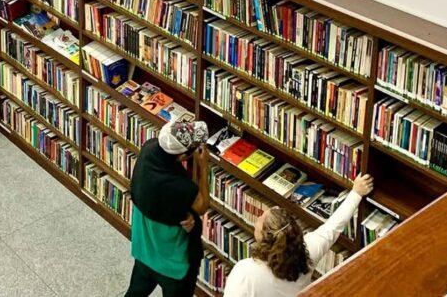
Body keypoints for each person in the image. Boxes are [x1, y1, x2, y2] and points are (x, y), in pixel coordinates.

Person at [223, 174, 375, 297]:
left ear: (265, 237)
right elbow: (333, 227)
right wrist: (356, 193)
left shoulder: (246, 272)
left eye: (260, 220)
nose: (256, 221)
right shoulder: (308, 253)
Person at [125, 121, 211, 297]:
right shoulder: (182, 188)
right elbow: (202, 206)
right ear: (181, 157)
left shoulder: (148, 149)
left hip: (144, 249)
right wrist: (203, 168)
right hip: (173, 264)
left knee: (135, 293)